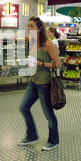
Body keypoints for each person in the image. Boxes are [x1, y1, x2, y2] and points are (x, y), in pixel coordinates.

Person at [19, 17, 61, 151]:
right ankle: (32, 135)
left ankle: (54, 140)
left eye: (32, 26)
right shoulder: (32, 42)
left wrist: (40, 64)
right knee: (23, 108)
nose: (29, 28)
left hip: (45, 84)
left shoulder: (48, 44)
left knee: (48, 114)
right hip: (33, 82)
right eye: (28, 26)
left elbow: (58, 64)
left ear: (39, 28)